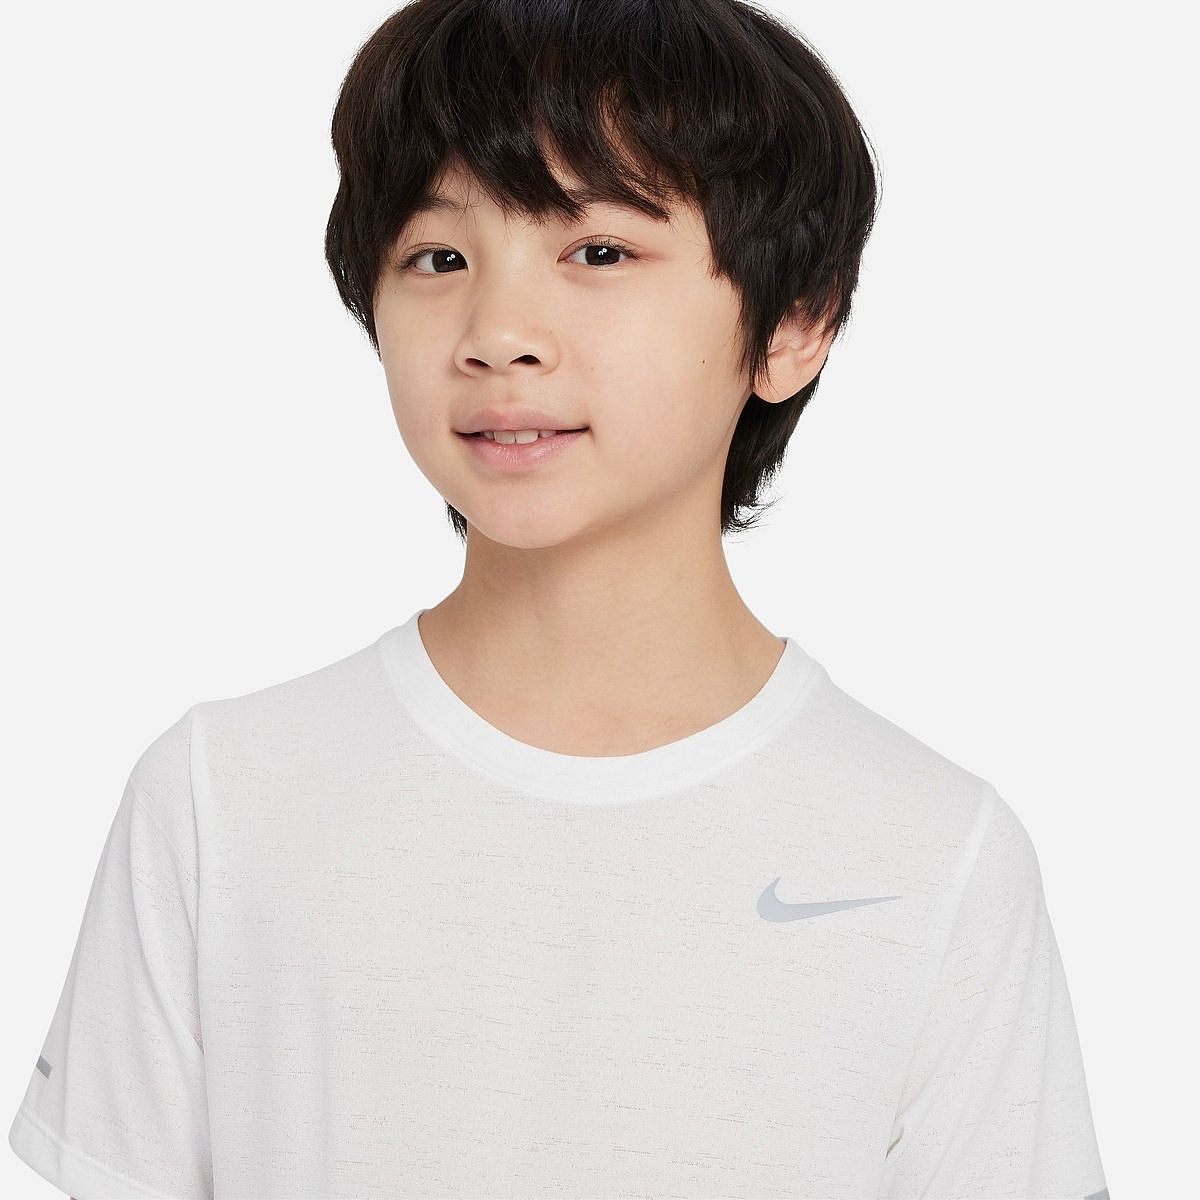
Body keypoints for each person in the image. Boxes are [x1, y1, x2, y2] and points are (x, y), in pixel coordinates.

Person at [9, 1, 1110, 1196]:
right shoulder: (220, 794)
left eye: (598, 252)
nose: (499, 335)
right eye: (438, 258)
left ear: (796, 321)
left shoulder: (934, 849)